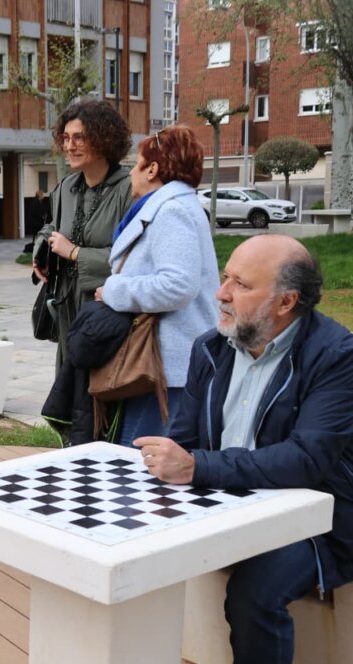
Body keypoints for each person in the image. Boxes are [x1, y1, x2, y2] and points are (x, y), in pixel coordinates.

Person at [134, 234, 353, 664]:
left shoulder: (336, 355)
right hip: (228, 505)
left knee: (255, 592)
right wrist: (170, 461)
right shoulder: (212, 347)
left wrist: (198, 466)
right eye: (226, 276)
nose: (220, 293)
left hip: (320, 520)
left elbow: (309, 460)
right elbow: (185, 438)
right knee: (134, 554)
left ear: (285, 303)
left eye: (240, 284)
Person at [97, 125, 219, 444]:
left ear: (152, 169)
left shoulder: (171, 210)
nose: (131, 175)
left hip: (165, 369)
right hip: (160, 364)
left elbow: (178, 285)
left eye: (135, 165)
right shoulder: (171, 207)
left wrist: (112, 291)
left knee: (144, 471)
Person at [34, 99, 134, 368]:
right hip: (67, 304)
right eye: (65, 138)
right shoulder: (66, 186)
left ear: (104, 139)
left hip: (106, 308)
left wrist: (76, 252)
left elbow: (135, 258)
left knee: (101, 387)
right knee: (69, 391)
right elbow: (52, 227)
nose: (69, 146)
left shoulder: (129, 190)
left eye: (79, 138)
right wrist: (41, 250)